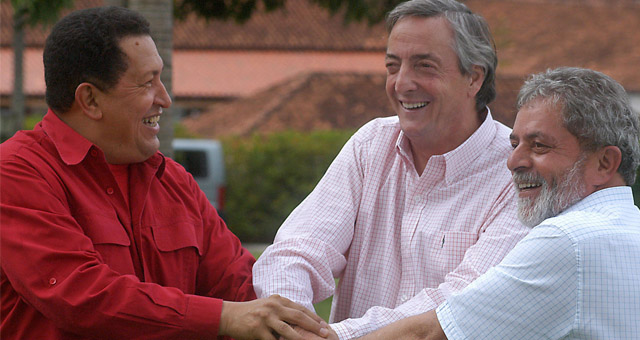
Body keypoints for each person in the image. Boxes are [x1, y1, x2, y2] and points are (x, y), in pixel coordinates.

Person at [0, 6, 330, 340]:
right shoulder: (17, 173)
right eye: (147, 84)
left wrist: (295, 321)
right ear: (90, 99)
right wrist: (224, 318)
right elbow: (81, 294)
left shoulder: (173, 181)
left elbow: (242, 283)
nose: (166, 99)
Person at [252, 0, 529, 338]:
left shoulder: (518, 171)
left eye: (424, 66)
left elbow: (462, 301)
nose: (402, 83)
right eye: (393, 66)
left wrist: (336, 336)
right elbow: (295, 251)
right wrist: (297, 326)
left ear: (473, 77)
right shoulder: (371, 145)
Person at [360, 67, 640, 339]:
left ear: (604, 163)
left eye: (539, 145)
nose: (513, 161)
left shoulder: (566, 241)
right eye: (514, 144)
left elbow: (432, 334)